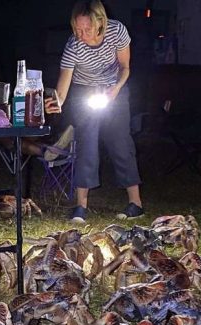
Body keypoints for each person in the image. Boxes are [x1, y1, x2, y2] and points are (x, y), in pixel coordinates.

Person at [55, 0, 143, 224]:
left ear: (100, 22)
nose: (81, 34)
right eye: (77, 29)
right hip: (85, 91)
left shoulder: (117, 31)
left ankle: (136, 203)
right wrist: (57, 101)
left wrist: (115, 89)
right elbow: (64, 82)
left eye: (87, 29)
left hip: (115, 87)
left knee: (120, 142)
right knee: (87, 144)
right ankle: (80, 207)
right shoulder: (73, 45)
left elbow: (126, 67)